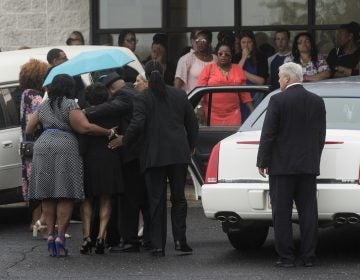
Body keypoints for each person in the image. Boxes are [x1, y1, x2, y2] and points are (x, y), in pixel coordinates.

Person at [26, 74, 113, 257]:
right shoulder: (70, 104)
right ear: (69, 87)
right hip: (65, 145)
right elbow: (85, 128)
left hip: (42, 146)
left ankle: (50, 235)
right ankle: (60, 238)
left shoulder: (44, 105)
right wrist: (107, 131)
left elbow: (29, 127)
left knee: (48, 194)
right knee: (64, 194)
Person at [118, 60, 199, 257]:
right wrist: (191, 146)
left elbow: (137, 125)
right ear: (165, 72)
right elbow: (192, 123)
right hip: (178, 153)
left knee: (156, 200)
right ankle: (181, 241)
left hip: (154, 154)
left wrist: (125, 140)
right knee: (179, 198)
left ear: (145, 74)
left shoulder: (143, 97)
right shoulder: (179, 94)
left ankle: (158, 245)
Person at [256, 62, 326, 267]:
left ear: (286, 78)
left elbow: (268, 134)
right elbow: (320, 135)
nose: (278, 81)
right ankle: (308, 256)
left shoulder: (277, 100)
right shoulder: (317, 101)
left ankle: (286, 257)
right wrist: (314, 158)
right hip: (307, 166)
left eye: (279, 77)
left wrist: (263, 161)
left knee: (282, 213)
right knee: (308, 212)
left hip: (282, 167)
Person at [79, 83, 124, 255]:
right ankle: (101, 236)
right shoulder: (114, 114)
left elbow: (82, 139)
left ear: (88, 98)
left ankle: (86, 237)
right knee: (106, 198)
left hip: (90, 159)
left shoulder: (84, 115)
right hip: (110, 157)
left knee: (87, 199)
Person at [19, 59, 49, 236]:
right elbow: (42, 115)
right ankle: (41, 223)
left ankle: (34, 221)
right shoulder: (36, 96)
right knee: (41, 182)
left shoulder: (25, 93)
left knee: (32, 182)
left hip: (27, 144)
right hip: (38, 143)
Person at [197, 42, 254, 126]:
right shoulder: (208, 68)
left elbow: (245, 93)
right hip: (212, 113)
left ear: (231, 56)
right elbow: (200, 90)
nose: (223, 55)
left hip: (233, 114)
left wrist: (252, 110)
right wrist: (199, 107)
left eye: (226, 54)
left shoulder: (237, 69)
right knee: (214, 138)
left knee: (233, 137)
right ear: (217, 55)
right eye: (220, 53)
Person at [235, 30, 268, 118]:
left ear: (253, 43)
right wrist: (244, 57)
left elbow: (261, 81)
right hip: (239, 97)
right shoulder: (236, 57)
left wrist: (244, 73)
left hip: (256, 96)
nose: (246, 45)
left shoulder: (261, 57)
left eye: (249, 42)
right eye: (243, 42)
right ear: (240, 44)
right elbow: (234, 77)